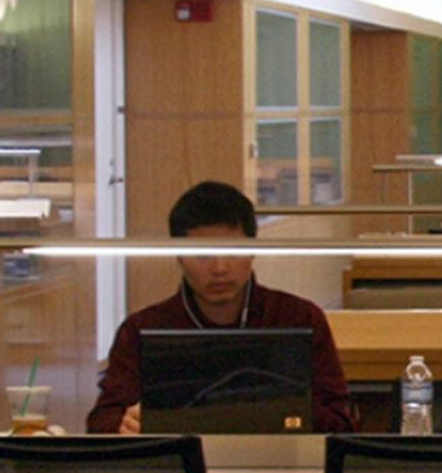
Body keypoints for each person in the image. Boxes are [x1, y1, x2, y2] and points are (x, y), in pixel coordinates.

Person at [86, 180, 354, 433]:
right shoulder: (142, 329)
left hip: (280, 467)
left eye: (233, 250)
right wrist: (124, 424)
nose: (220, 267)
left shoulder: (298, 318)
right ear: (178, 256)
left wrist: (288, 406)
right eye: (203, 254)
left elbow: (343, 421)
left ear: (252, 250)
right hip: (178, 471)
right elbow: (101, 422)